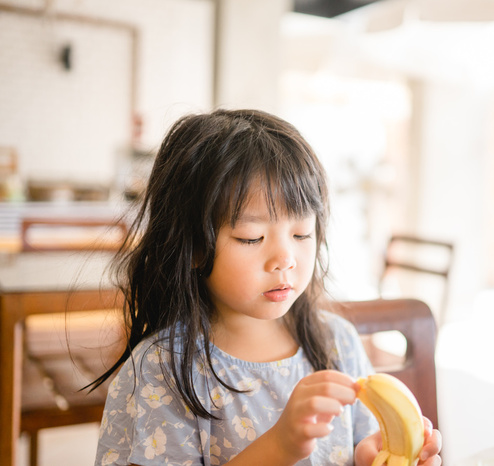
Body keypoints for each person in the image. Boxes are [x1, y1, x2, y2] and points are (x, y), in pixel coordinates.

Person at [90, 109, 442, 466]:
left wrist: (371, 458)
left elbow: (362, 442)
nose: (285, 259)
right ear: (194, 247)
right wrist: (279, 448)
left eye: (301, 233)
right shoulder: (162, 369)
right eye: (251, 237)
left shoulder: (338, 343)